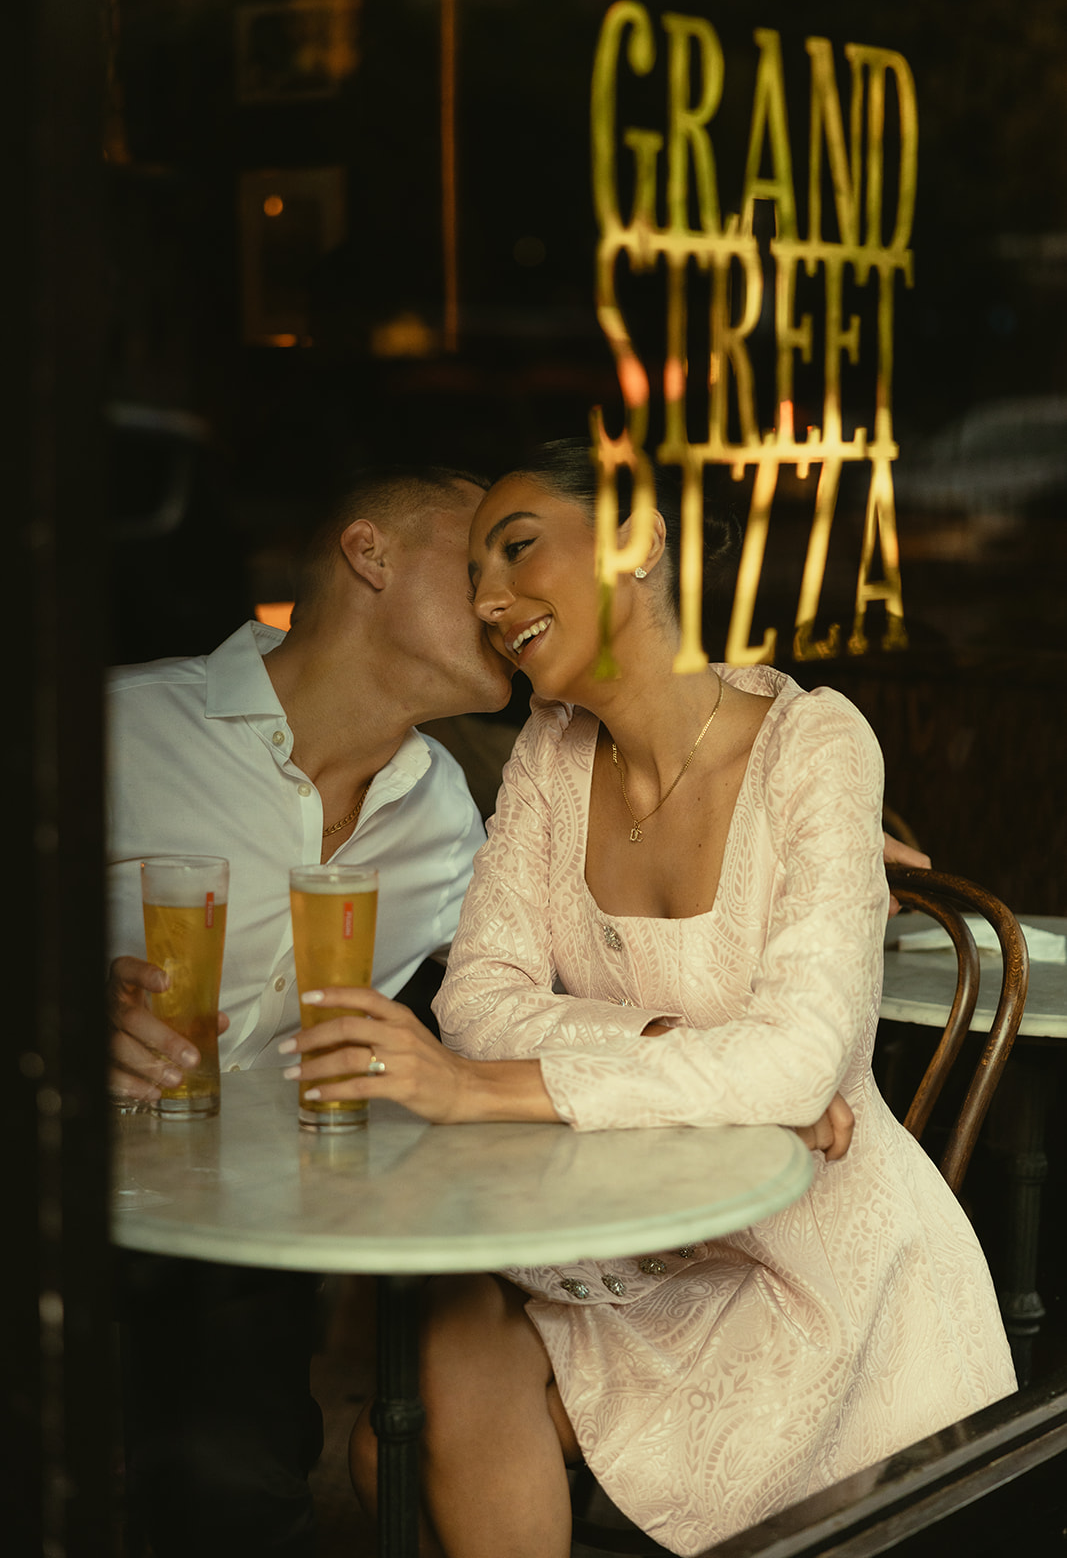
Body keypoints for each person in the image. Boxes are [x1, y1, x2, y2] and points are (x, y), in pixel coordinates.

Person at [283, 440, 1017, 1558]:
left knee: (408, 1435)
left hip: (813, 1269)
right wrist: (681, 1044)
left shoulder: (814, 745)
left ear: (637, 541)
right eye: (476, 571)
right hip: (627, 1238)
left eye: (517, 549)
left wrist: (485, 1089)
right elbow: (480, 1002)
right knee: (441, 1363)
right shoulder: (545, 750)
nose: (487, 601)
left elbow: (796, 1069)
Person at [107, 462, 516, 1558]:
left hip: (235, 1263)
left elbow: (581, 956)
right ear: (366, 552)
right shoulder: (121, 728)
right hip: (52, 1208)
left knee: (234, 1497)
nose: (504, 596)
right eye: (478, 555)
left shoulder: (446, 815)